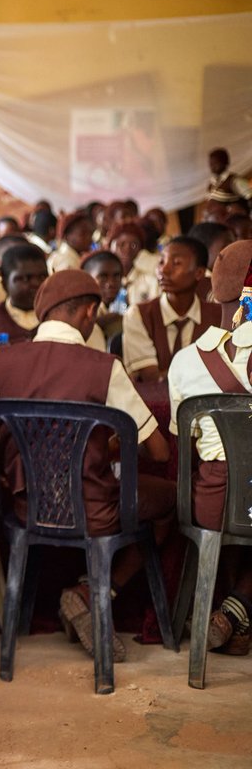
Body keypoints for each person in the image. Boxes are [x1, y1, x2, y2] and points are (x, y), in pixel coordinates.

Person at [0, 270, 175, 660]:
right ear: (89, 313)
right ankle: (95, 591)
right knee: (172, 500)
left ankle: (72, 602)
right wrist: (105, 447)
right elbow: (158, 452)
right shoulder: (103, 366)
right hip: (95, 510)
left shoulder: (0, 362)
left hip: (26, 507)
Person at [168, 239, 252, 655]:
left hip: (210, 504)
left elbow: (183, 443)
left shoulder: (184, 361)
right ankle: (238, 608)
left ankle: (233, 617)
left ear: (214, 292)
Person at [122, 237, 222, 384]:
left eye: (176, 263)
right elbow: (152, 378)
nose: (164, 270)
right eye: (161, 262)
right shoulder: (138, 315)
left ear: (199, 273)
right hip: (153, 405)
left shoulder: (218, 315)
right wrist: (203, 375)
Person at [107, 221, 158, 308]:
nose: (127, 250)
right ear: (111, 248)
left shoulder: (150, 280)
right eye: (121, 245)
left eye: (134, 245)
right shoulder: (106, 282)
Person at [81, 250, 125, 340]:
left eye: (116, 276)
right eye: (103, 277)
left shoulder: (114, 309)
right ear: (87, 279)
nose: (111, 283)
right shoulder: (82, 313)